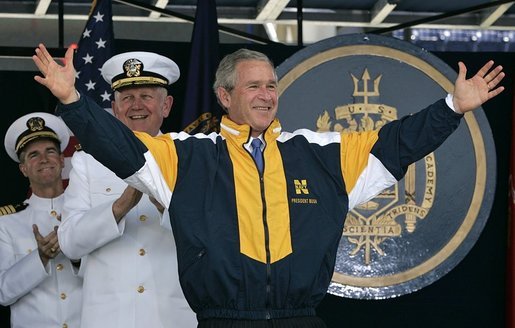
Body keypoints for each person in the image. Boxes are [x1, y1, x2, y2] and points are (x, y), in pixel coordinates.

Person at [32, 43, 505, 328]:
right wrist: (73, 100)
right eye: (254, 86)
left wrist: (452, 107)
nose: (266, 95)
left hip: (300, 318)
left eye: (272, 85)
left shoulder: (319, 152)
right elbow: (121, 146)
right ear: (224, 96)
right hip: (221, 321)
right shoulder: (186, 154)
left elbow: (396, 144)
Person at [56, 51, 196, 328]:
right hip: (109, 318)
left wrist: (162, 200)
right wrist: (120, 207)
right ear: (115, 107)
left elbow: (213, 232)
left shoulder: (190, 153)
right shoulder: (87, 161)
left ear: (166, 105)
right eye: (127, 97)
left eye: (146, 96)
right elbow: (70, 243)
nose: (136, 105)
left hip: (172, 316)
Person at [0, 112, 82, 328]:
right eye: (33, 155)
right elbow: (3, 292)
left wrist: (75, 256)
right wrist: (41, 257)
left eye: (50, 151)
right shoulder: (6, 223)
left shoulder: (85, 212)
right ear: (23, 168)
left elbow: (111, 274)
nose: (44, 159)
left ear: (62, 160)